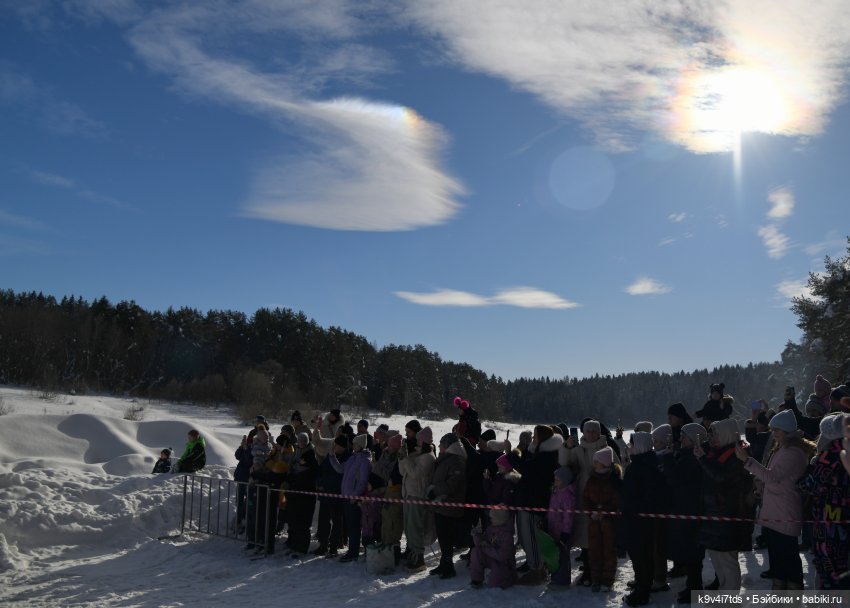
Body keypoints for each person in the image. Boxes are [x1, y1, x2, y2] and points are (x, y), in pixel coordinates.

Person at [737, 409, 812, 590]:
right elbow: (772, 477)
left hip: (785, 511)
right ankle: (780, 590)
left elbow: (773, 476)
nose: (774, 434)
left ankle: (792, 594)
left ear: (787, 431)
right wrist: (760, 481)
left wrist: (747, 460)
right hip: (776, 509)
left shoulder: (792, 452)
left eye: (777, 430)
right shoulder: (784, 448)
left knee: (788, 557)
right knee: (778, 556)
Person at [694, 418, 754, 592]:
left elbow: (721, 478)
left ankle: (731, 596)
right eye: (710, 434)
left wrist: (703, 459)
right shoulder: (716, 452)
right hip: (715, 514)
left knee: (727, 560)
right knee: (716, 558)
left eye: (715, 434)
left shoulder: (737, 454)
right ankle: (724, 591)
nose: (711, 438)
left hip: (729, 515)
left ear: (726, 435)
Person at [560, 418, 618, 583]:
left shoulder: (606, 449)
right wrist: (566, 447)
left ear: (599, 433)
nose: (590, 434)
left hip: (603, 498)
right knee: (586, 536)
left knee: (602, 537)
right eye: (587, 431)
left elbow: (618, 470)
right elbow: (564, 463)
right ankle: (588, 570)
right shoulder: (579, 450)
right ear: (583, 433)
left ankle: (601, 573)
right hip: (584, 497)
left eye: (594, 431)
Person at [797, 413, 850, 590]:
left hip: (830, 524)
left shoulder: (829, 456)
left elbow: (808, 485)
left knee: (830, 575)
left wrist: (809, 469)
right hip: (843, 522)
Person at [508, 424, 562, 585]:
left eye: (535, 436)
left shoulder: (547, 456)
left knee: (531, 537)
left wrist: (510, 454)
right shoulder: (540, 453)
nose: (533, 438)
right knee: (525, 537)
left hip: (534, 502)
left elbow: (527, 469)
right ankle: (535, 567)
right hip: (527, 500)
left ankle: (537, 569)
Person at [659, 423, 707, 603]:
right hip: (686, 508)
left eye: (684, 436)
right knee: (690, 552)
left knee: (693, 552)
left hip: (690, 509)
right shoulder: (688, 455)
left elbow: (676, 479)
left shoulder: (693, 458)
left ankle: (694, 589)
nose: (681, 439)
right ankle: (692, 586)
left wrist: (668, 459)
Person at [621, 433, 662, 606]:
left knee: (641, 556)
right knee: (642, 556)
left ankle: (642, 592)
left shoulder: (640, 466)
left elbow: (636, 494)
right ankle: (642, 583)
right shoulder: (647, 462)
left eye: (631, 444)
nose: (629, 446)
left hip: (638, 520)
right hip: (641, 520)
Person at [427, 433, 468, 579]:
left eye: (441, 444)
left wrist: (435, 490)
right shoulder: (447, 458)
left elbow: (453, 483)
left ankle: (449, 567)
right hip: (441, 504)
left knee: (447, 538)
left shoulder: (456, 460)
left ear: (448, 445)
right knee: (443, 538)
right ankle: (444, 563)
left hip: (449, 505)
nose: (439, 446)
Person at [398, 426, 436, 571]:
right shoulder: (418, 454)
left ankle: (419, 558)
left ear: (425, 441)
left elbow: (414, 473)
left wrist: (407, 458)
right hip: (408, 494)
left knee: (415, 527)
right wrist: (402, 458)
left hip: (417, 495)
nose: (417, 442)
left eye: (419, 440)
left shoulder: (428, 457)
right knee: (408, 527)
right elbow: (404, 472)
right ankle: (413, 554)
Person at [331, 433, 372, 562]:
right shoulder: (352, 458)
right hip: (346, 496)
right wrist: (332, 457)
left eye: (354, 444)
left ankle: (353, 552)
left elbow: (363, 481)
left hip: (354, 499)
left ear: (360, 445)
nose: (352, 446)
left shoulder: (365, 461)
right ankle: (352, 549)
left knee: (354, 525)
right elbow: (340, 469)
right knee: (349, 524)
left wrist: (355, 496)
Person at [314, 435, 349, 556]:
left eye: (337, 445)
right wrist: (318, 483)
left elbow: (340, 472)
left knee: (337, 522)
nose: (335, 447)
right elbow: (320, 470)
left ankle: (334, 545)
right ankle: (323, 545)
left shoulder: (347, 458)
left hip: (337, 494)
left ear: (343, 447)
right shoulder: (329, 456)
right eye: (334, 444)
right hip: (325, 494)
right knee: (323, 521)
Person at [286, 432, 318, 556]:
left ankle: (301, 548)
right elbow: (292, 468)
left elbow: (312, 471)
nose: (302, 443)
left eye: (304, 441)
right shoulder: (296, 453)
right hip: (295, 492)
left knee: (303, 523)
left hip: (306, 494)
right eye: (300, 441)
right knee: (294, 521)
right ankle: (293, 545)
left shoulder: (311, 454)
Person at [469, 506, 518, 589]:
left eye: (493, 518)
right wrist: (476, 535)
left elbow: (502, 556)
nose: (490, 519)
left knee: (495, 585)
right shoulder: (490, 529)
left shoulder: (507, 535)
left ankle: (508, 578)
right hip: (492, 557)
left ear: (500, 520)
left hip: (503, 563)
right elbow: (480, 544)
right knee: (476, 552)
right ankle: (476, 579)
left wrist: (486, 548)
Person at [548, 466, 577, 587]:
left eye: (558, 480)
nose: (555, 481)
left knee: (563, 556)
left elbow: (568, 517)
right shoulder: (556, 492)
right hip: (553, 528)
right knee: (555, 554)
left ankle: (563, 580)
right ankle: (555, 577)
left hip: (562, 531)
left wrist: (565, 533)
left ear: (565, 481)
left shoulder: (568, 496)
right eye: (555, 479)